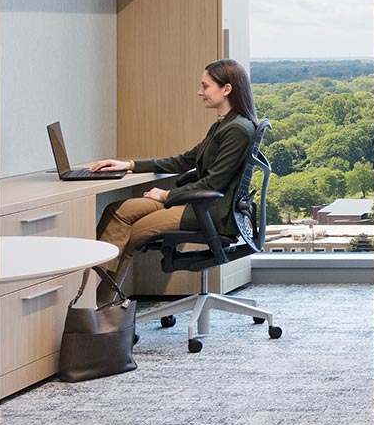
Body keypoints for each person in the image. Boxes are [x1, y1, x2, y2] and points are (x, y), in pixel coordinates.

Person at [89, 58, 260, 291]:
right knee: (117, 211)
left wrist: (165, 195)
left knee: (134, 231)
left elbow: (213, 183)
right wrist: (128, 165)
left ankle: (102, 301)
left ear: (226, 89)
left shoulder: (237, 129)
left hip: (212, 210)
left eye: (205, 86)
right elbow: (183, 160)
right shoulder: (223, 125)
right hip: (199, 203)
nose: (200, 92)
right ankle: (93, 293)